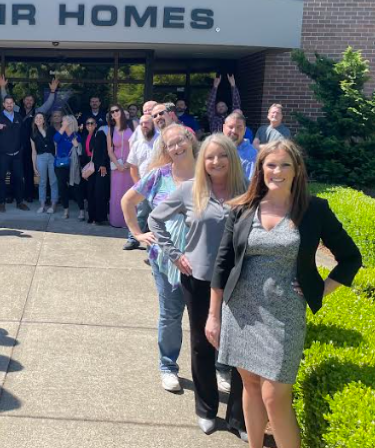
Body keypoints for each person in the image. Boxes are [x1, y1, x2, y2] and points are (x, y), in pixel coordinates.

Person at [210, 140, 362, 448]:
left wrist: (321, 288)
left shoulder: (314, 210)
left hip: (285, 315)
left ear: (297, 170)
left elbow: (350, 257)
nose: (276, 171)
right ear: (261, 168)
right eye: (270, 164)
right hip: (241, 311)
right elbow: (222, 264)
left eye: (284, 165)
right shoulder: (242, 208)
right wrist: (213, 315)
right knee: (250, 386)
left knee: (274, 397)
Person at [148, 134, 247, 439]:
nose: (215, 162)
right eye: (210, 157)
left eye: (222, 156)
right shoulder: (190, 190)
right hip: (199, 279)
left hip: (238, 281)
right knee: (202, 345)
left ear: (232, 159)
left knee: (239, 350)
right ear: (202, 160)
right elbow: (155, 219)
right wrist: (175, 255)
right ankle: (206, 408)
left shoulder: (246, 192)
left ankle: (238, 418)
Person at [121, 124, 198, 393]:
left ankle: (217, 370)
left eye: (180, 141)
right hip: (165, 260)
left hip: (202, 258)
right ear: (165, 150)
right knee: (170, 315)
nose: (177, 148)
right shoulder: (158, 176)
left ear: (190, 139)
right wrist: (138, 234)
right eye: (170, 145)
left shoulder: (208, 172)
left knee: (206, 317)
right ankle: (168, 366)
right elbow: (128, 201)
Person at [123, 114, 159, 250]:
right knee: (140, 214)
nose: (144, 125)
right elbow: (133, 166)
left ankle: (155, 246)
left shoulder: (161, 141)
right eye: (142, 123)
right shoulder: (137, 144)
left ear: (153, 125)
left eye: (147, 123)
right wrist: (139, 185)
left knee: (158, 217)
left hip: (160, 186)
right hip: (144, 185)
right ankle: (133, 239)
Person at [0, 95, 28, 212]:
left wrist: (22, 148)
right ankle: (2, 202)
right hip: (3, 154)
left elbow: (23, 134)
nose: (9, 105)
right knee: (1, 179)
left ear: (14, 104)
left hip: (17, 154)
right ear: (3, 105)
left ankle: (20, 202)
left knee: (18, 179)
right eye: (7, 103)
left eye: (11, 103)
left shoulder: (18, 117)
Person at [107, 104, 135, 228]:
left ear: (122, 111)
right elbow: (110, 150)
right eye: (112, 112)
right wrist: (118, 165)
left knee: (131, 193)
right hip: (117, 167)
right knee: (117, 194)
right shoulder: (111, 129)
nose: (114, 113)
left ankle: (131, 222)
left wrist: (129, 162)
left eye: (117, 110)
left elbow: (139, 144)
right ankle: (117, 221)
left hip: (131, 165)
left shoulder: (132, 125)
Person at [54, 115, 85, 220]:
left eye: (64, 121)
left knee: (76, 187)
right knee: (62, 188)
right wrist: (63, 128)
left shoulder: (76, 135)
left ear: (70, 123)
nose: (62, 122)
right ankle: (66, 210)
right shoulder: (60, 134)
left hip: (73, 166)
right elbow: (55, 139)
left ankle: (81, 211)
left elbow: (78, 149)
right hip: (60, 165)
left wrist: (72, 136)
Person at [84, 117, 111, 225]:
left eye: (92, 123)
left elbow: (104, 150)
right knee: (90, 193)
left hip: (99, 168)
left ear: (96, 125)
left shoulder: (99, 134)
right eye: (87, 123)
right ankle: (92, 217)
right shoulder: (85, 135)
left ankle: (99, 218)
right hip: (89, 167)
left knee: (99, 193)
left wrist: (103, 164)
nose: (89, 125)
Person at [31, 112, 58, 214]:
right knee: (42, 182)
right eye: (36, 118)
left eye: (40, 118)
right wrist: (34, 167)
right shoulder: (33, 133)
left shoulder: (51, 129)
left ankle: (53, 205)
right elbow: (33, 151)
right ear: (34, 120)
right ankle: (42, 206)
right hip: (40, 157)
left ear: (44, 120)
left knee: (53, 181)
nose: (38, 119)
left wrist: (56, 157)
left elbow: (56, 144)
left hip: (52, 157)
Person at [222, 112, 258, 181]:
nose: (234, 131)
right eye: (230, 127)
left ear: (244, 130)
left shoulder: (252, 155)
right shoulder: (216, 149)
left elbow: (249, 186)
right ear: (223, 128)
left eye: (239, 127)